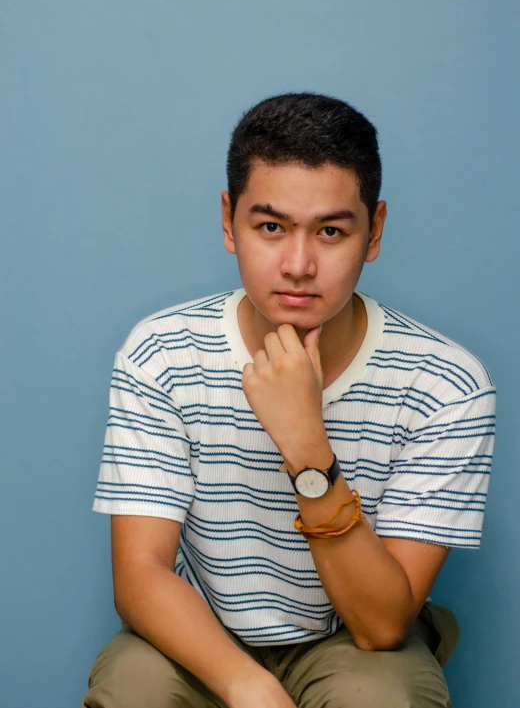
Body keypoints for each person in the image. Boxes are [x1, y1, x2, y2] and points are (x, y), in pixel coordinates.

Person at [82, 93, 496, 708]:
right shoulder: (161, 353)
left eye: (331, 231)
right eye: (271, 227)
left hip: (351, 639)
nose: (299, 265)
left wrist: (306, 447)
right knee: (131, 689)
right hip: (203, 629)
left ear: (374, 231)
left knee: (384, 696)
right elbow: (141, 575)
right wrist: (249, 687)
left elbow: (383, 625)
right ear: (229, 221)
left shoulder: (446, 384)